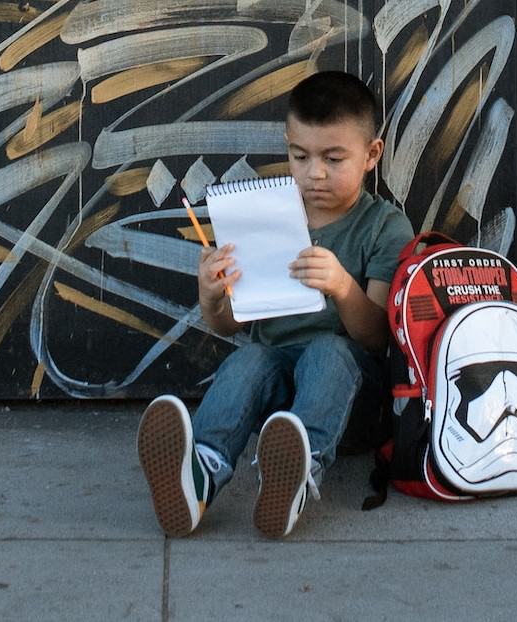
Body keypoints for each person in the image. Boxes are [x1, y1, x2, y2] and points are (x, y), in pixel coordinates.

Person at [137, 71, 414, 538]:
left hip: (350, 401)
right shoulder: (264, 215)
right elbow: (228, 324)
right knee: (251, 358)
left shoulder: (384, 227)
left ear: (371, 155)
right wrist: (211, 293)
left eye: (333, 158)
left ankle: (299, 474)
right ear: (287, 146)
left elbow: (377, 336)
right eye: (299, 156)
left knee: (329, 350)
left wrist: (343, 287)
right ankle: (200, 473)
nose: (314, 173)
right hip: (275, 408)